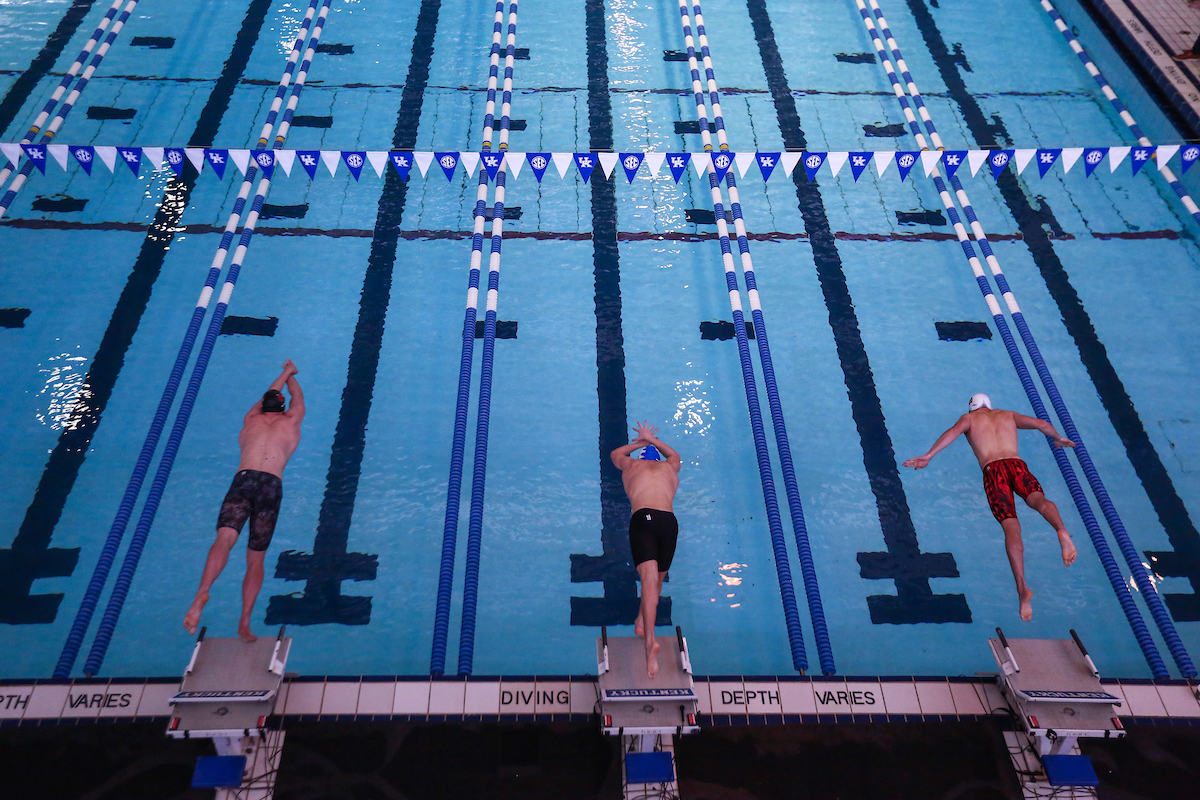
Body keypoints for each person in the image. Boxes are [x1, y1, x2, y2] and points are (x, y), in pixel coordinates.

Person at [903, 394, 1077, 622]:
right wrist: (1058, 438)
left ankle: (1023, 589)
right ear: (989, 405)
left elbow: (951, 434)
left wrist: (928, 456)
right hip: (1017, 465)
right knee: (1038, 500)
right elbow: (1042, 424)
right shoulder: (1008, 415)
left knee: (1011, 527)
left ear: (972, 407)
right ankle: (1061, 531)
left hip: (994, 471)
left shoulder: (969, 419)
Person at [184, 360, 304, 641]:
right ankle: (245, 623)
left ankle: (203, 591)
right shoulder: (292, 421)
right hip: (270, 486)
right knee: (255, 560)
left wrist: (283, 374)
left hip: (244, 480)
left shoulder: (251, 420)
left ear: (262, 406)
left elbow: (268, 396)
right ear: (283, 406)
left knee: (223, 540)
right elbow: (298, 398)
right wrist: (291, 375)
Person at [611, 421, 681, 678]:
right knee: (659, 578)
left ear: (641, 456)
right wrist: (653, 440)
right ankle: (641, 623)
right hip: (669, 522)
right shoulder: (670, 467)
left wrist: (641, 441)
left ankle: (650, 641)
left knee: (649, 580)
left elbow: (616, 454)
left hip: (644, 519)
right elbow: (674, 454)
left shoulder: (632, 465)